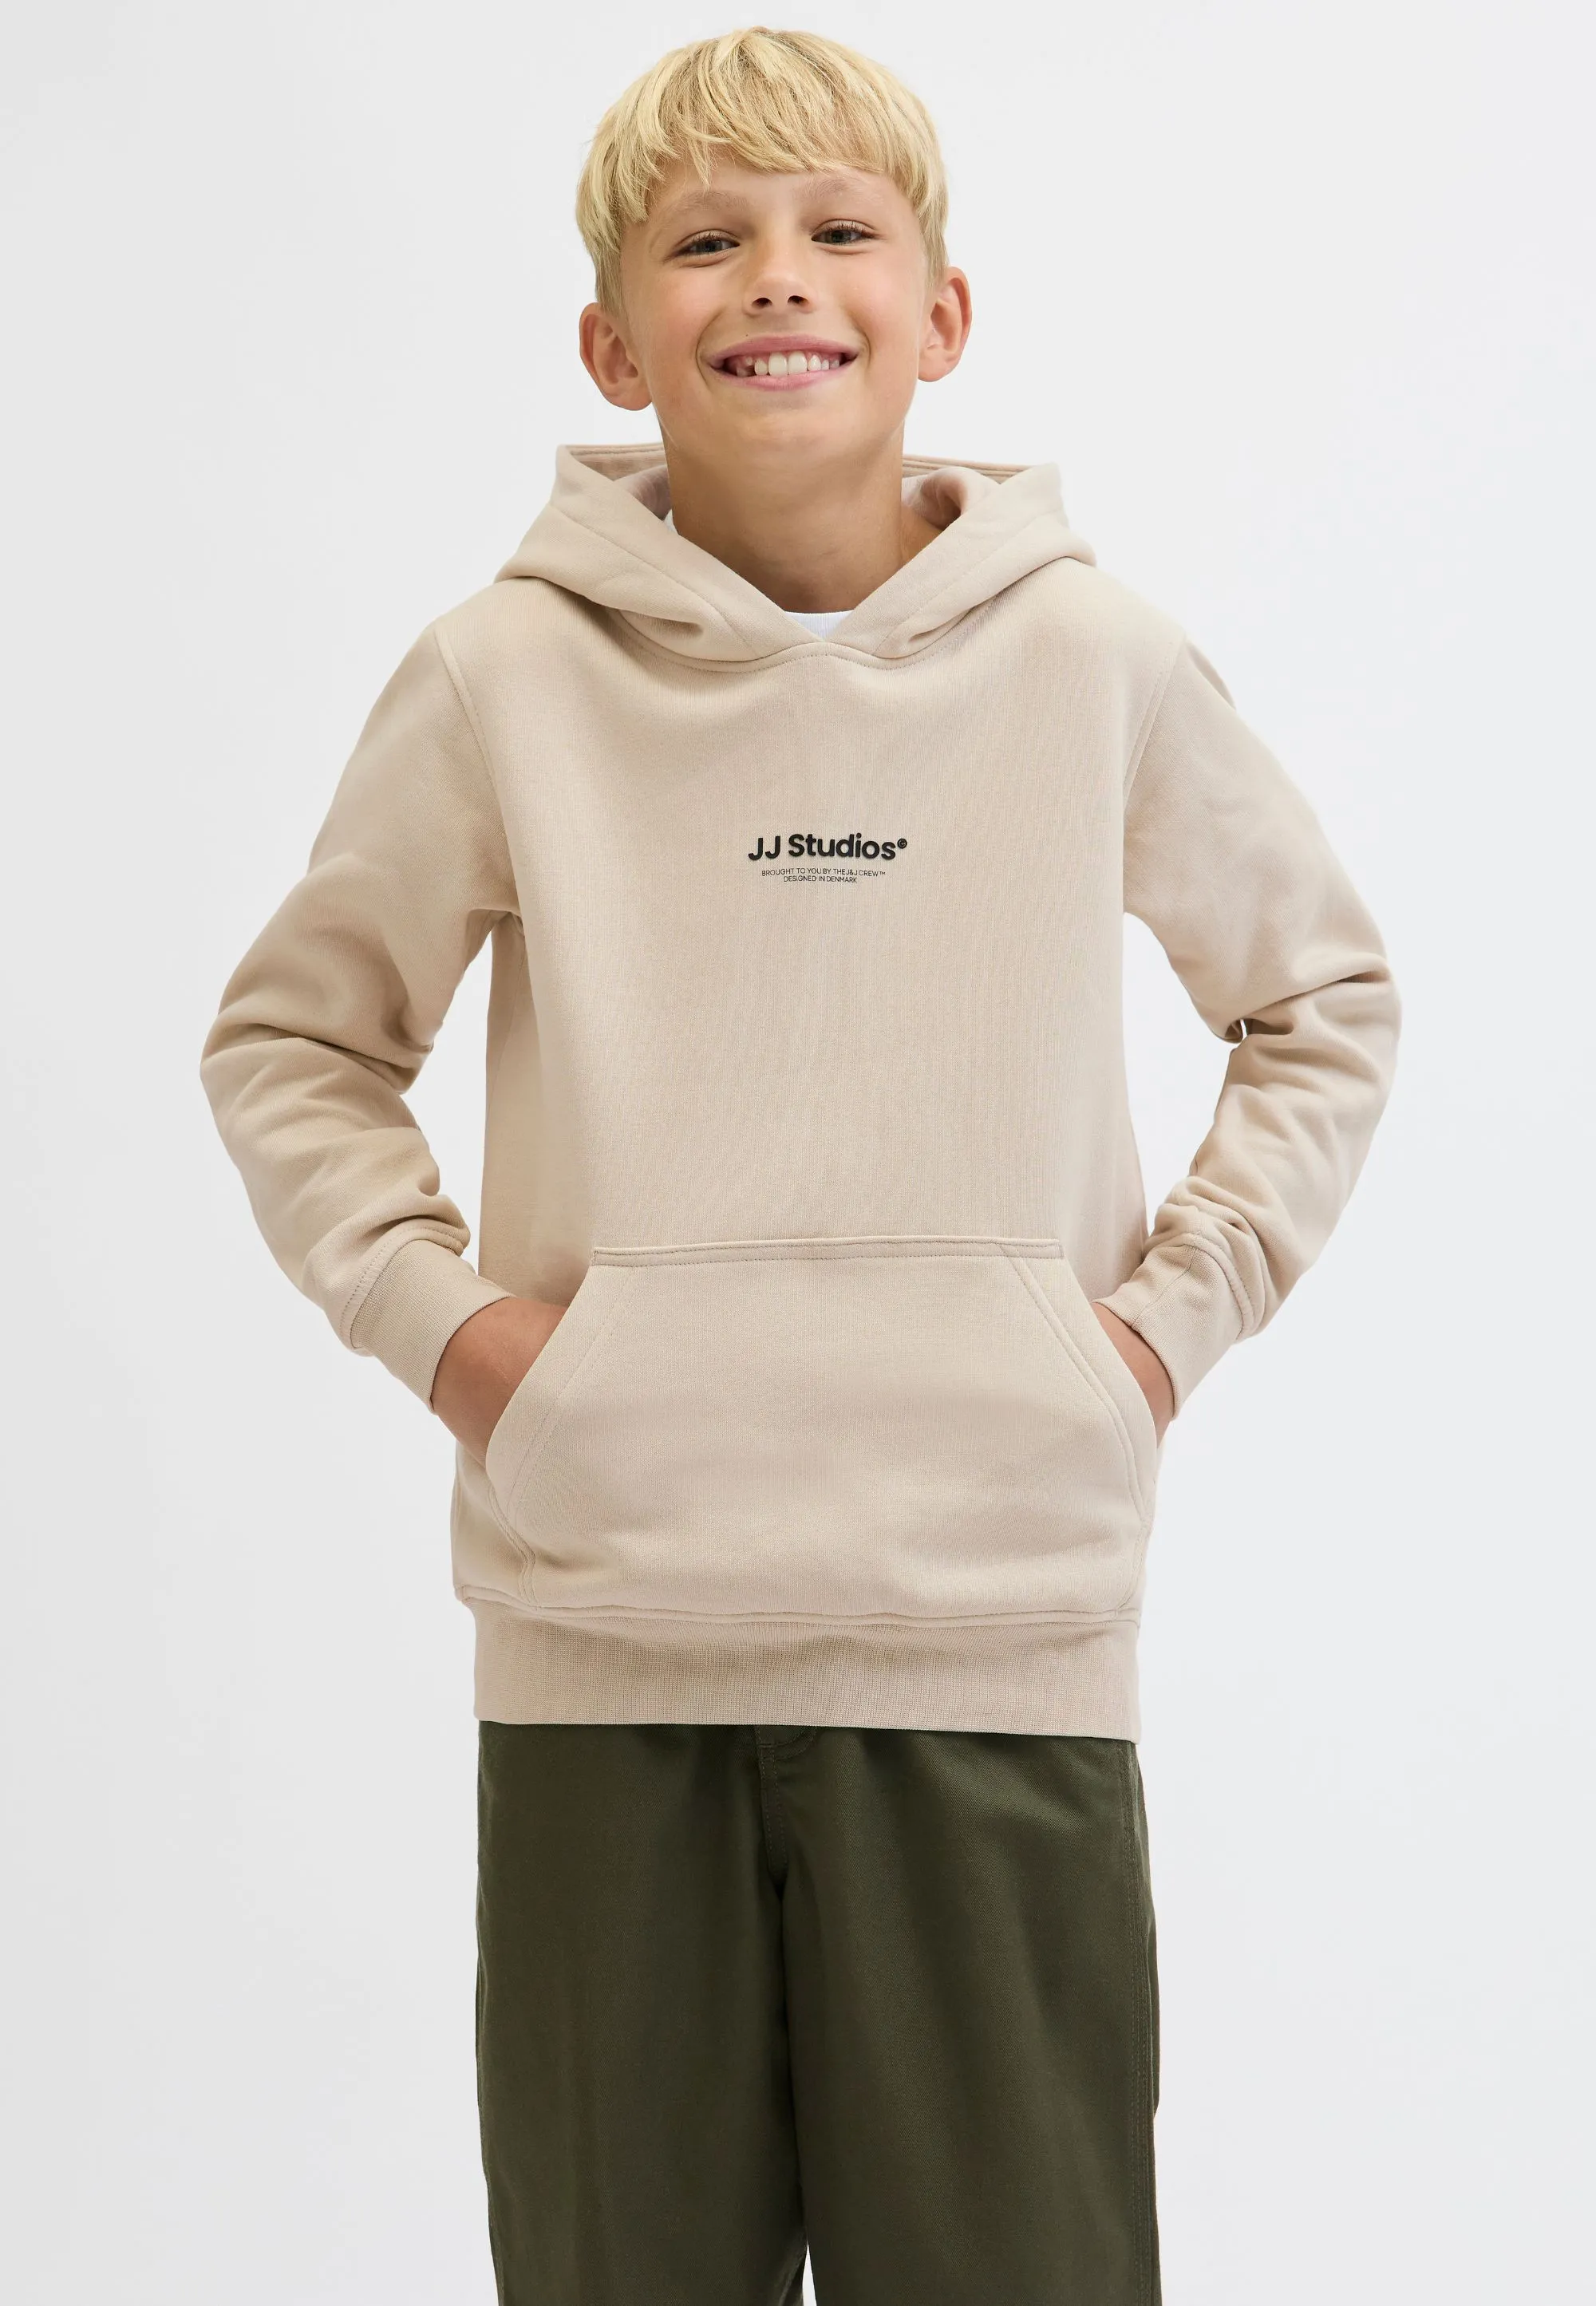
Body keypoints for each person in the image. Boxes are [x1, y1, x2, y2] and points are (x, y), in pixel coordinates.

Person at [200, 26, 1400, 2304]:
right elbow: (296, 1040)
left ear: (940, 315)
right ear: (610, 340)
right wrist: (459, 1341)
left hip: (997, 1637)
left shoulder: (1095, 663)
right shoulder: (499, 680)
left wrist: (1152, 1339)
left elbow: (1322, 1000)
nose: (777, 277)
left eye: (841, 229)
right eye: (705, 239)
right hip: (608, 1637)